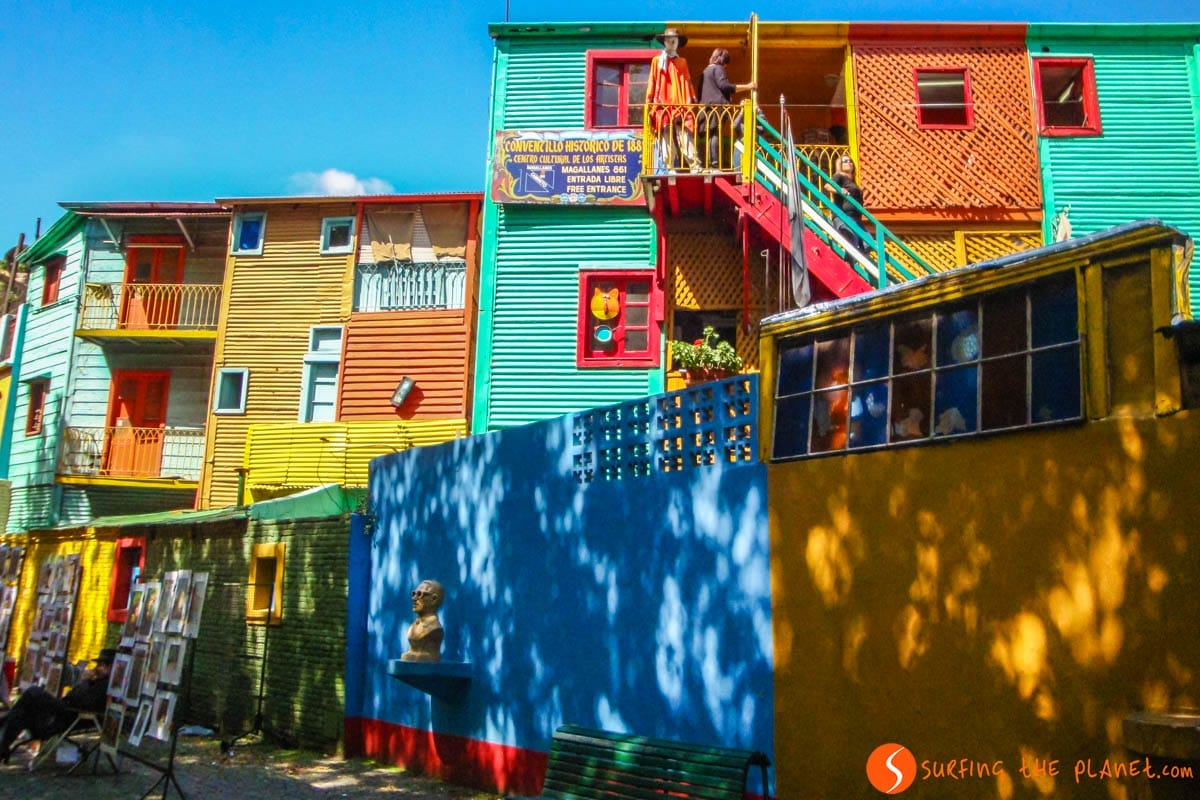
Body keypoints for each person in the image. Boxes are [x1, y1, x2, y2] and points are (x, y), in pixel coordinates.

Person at [0, 648, 115, 762]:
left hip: (68, 714)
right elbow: (73, 695)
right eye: (98, 664)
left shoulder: (104, 686)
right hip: (64, 710)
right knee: (20, 714)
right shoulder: (94, 682)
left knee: (33, 692)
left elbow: (82, 702)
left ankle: (3, 722)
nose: (97, 668)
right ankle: (3, 748)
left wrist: (84, 682)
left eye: (102, 665)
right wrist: (86, 682)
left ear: (110, 668)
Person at [647, 27, 697, 171]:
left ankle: (693, 165)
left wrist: (692, 99)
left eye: (674, 41)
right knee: (666, 137)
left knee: (685, 135)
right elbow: (653, 81)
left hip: (681, 105)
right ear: (664, 42)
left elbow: (687, 82)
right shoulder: (657, 61)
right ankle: (669, 166)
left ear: (677, 43)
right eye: (668, 40)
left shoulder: (682, 62)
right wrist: (649, 101)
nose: (671, 43)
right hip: (663, 105)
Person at [696, 48, 754, 169]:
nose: (725, 67)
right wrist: (748, 86)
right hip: (718, 108)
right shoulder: (718, 68)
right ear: (723, 61)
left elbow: (700, 91)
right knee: (715, 134)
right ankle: (714, 165)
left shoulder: (706, 70)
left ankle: (711, 164)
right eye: (726, 64)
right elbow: (724, 86)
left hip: (706, 108)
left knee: (710, 135)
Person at [827, 155, 866, 262]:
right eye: (845, 161)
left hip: (856, 218)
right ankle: (848, 265)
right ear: (840, 164)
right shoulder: (839, 176)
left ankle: (851, 263)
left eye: (851, 161)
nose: (849, 163)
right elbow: (827, 186)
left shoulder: (853, 181)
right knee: (852, 241)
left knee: (867, 245)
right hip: (844, 215)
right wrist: (840, 190)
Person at [400, 580, 445, 663]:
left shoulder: (435, 628)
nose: (414, 598)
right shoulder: (413, 626)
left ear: (433, 599)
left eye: (420, 594)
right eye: (414, 594)